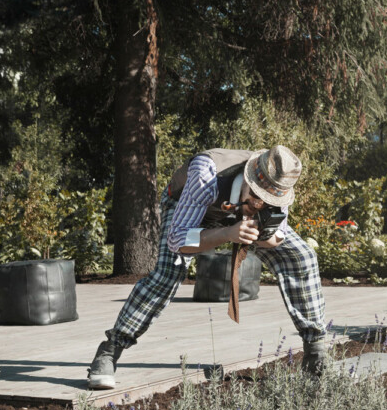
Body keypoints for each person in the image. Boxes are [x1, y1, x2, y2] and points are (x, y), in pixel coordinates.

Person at [87, 145, 328, 389]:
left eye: (268, 202)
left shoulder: (281, 178)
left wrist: (259, 233)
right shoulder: (207, 174)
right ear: (248, 178)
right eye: (257, 197)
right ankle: (110, 350)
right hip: (186, 209)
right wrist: (228, 233)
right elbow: (177, 240)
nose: (261, 205)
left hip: (232, 214)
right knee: (168, 273)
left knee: (302, 256)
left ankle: (315, 351)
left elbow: (278, 237)